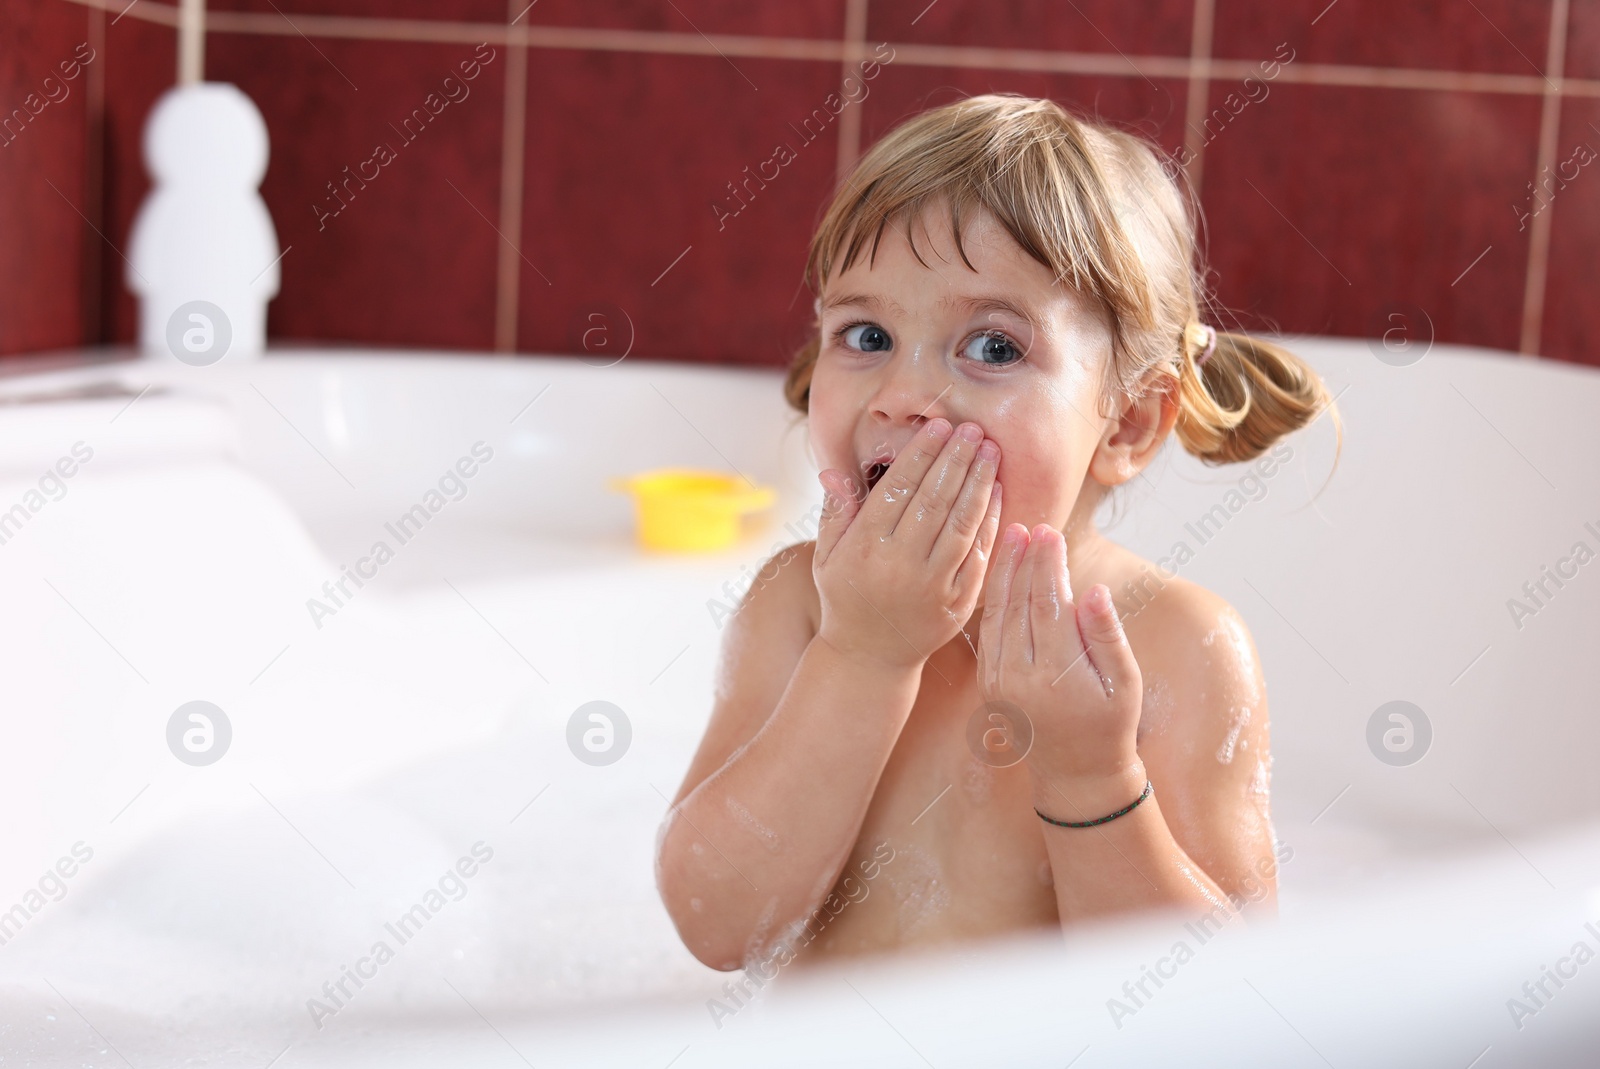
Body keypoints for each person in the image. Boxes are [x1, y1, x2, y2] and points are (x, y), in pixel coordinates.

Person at [656, 93, 1341, 973]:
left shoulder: (1175, 647)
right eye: (866, 333)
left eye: (992, 348)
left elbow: (1225, 1001)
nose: (902, 394)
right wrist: (861, 657)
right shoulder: (801, 605)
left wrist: (1092, 776)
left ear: (1128, 421)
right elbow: (716, 923)